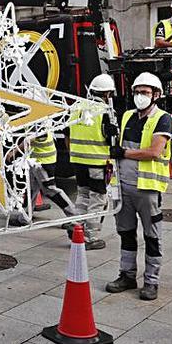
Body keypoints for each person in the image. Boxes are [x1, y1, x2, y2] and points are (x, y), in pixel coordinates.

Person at [106, 72, 172, 301]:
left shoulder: (163, 118)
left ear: (156, 95)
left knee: (152, 237)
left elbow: (154, 152)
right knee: (125, 233)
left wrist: (123, 152)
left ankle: (151, 282)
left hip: (147, 189)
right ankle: (127, 275)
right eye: (136, 92)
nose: (139, 96)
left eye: (144, 92)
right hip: (123, 187)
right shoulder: (126, 116)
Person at [67, 73, 118, 250]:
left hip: (77, 160)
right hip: (97, 161)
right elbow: (111, 136)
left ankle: (76, 228)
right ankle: (90, 237)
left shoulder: (76, 106)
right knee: (98, 199)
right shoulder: (105, 111)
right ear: (106, 94)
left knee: (82, 195)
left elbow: (67, 132)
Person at [8, 132, 78, 227]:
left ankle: (74, 217)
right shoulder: (35, 120)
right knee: (31, 189)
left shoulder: (40, 123)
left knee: (50, 190)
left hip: (44, 163)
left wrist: (15, 150)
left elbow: (31, 138)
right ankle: (25, 217)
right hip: (35, 161)